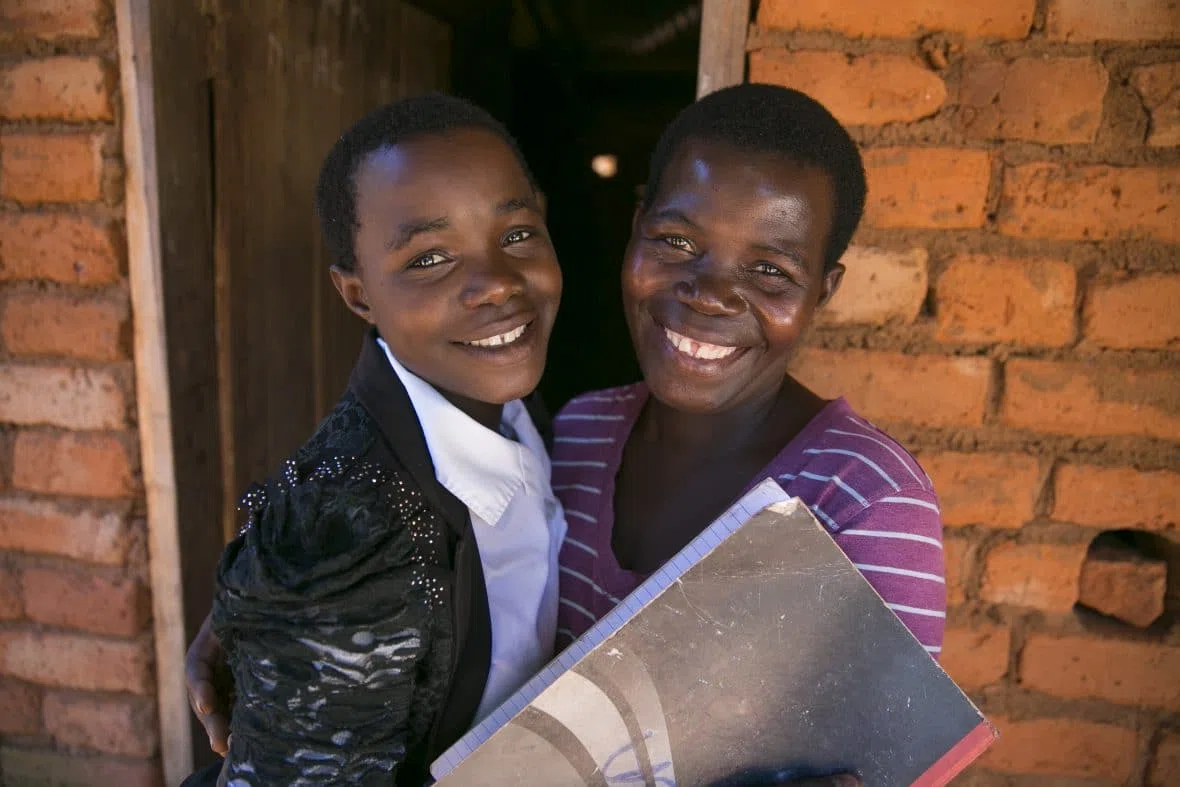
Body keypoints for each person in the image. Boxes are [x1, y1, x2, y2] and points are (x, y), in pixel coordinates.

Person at [181, 93, 566, 786]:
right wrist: (281, 597)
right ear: (358, 295)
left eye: (516, 234)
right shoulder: (343, 541)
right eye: (429, 258)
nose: (498, 284)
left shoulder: (514, 407)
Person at [554, 84, 944, 662]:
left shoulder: (863, 501)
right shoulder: (576, 434)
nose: (710, 297)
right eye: (676, 241)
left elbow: (889, 749)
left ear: (822, 292)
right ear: (635, 231)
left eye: (769, 270)